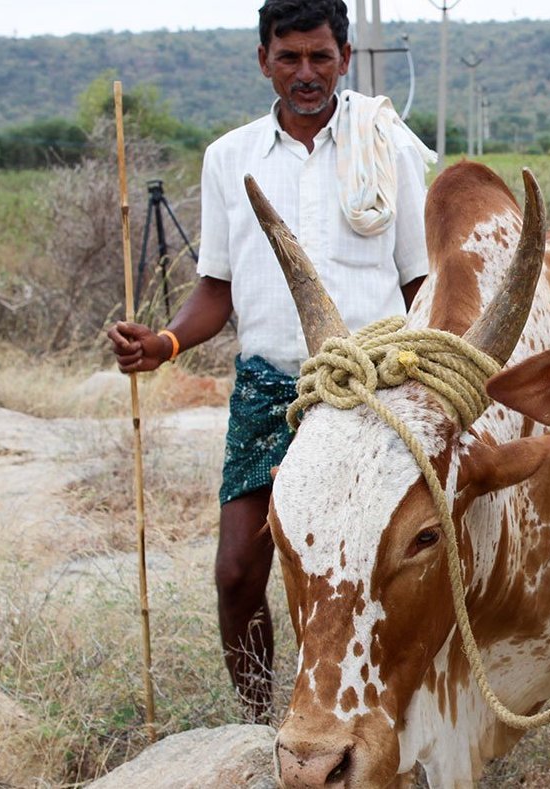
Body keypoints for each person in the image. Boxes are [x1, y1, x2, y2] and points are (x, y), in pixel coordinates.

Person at [107, 0, 433, 723]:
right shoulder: (230, 157)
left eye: (320, 56)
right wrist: (164, 344)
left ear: (346, 58)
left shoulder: (391, 146)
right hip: (267, 387)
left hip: (370, 391)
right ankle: (260, 727)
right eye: (289, 57)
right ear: (263, 61)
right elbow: (217, 288)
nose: (306, 72)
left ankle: (382, 719)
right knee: (236, 572)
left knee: (372, 567)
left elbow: (420, 282)